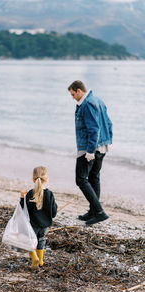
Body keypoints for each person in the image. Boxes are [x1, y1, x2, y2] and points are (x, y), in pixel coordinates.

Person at [68, 80, 113, 225]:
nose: (72, 97)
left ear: (79, 91)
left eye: (73, 94)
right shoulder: (97, 100)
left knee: (80, 179)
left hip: (90, 147)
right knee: (94, 178)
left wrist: (90, 151)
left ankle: (99, 212)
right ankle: (93, 211)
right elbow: (108, 122)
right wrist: (109, 141)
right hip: (102, 145)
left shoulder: (87, 104)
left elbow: (93, 129)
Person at [20, 166, 57, 268]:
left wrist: (22, 197)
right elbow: (54, 212)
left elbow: (24, 209)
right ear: (47, 179)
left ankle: (34, 259)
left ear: (33, 179)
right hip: (45, 225)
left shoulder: (30, 194)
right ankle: (40, 261)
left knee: (29, 241)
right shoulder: (50, 194)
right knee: (41, 240)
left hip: (33, 224)